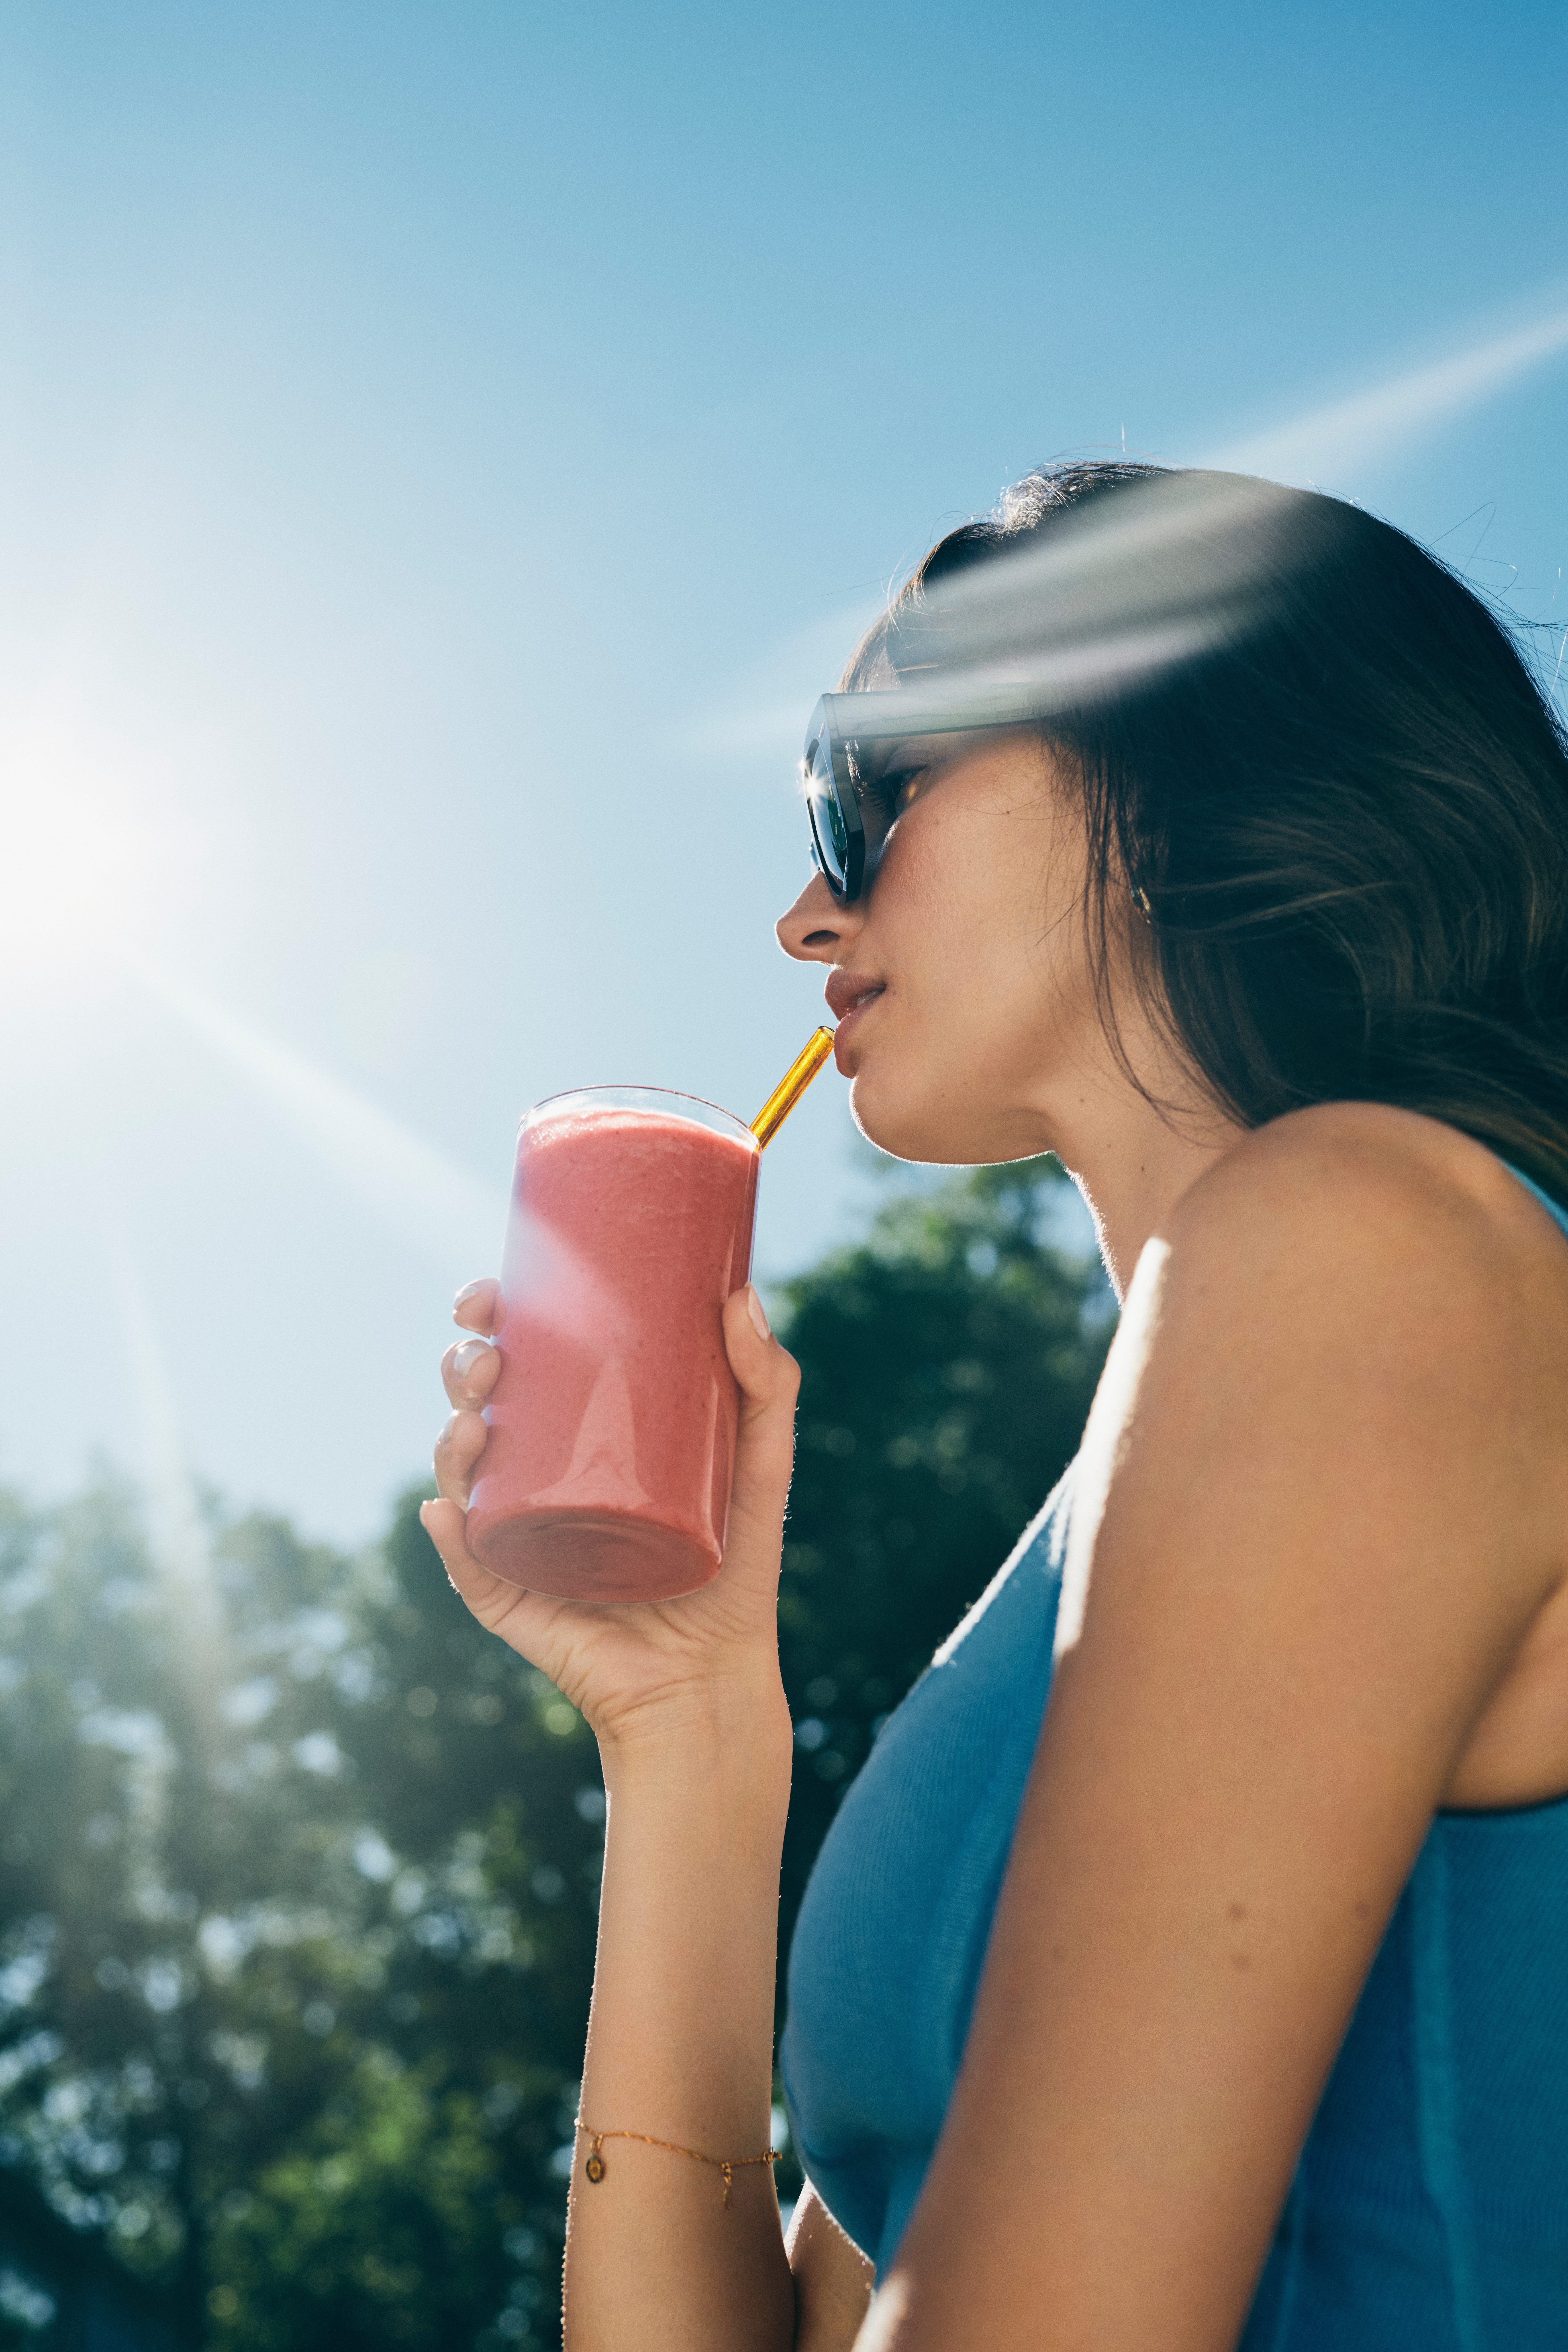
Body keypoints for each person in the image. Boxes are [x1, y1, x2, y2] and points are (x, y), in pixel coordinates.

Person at [420, 462, 1568, 2350]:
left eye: (864, 795)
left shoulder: (1374, 1248)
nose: (808, 914)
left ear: (1168, 729)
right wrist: (689, 1728)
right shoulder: (1118, 1504)